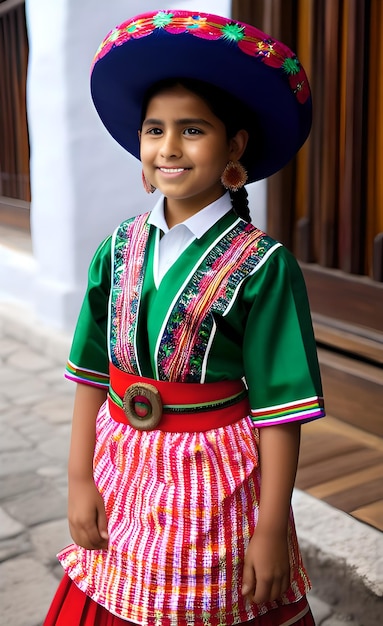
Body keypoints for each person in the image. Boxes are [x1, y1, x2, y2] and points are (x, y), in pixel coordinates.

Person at [44, 9, 325, 626]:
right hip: (120, 466)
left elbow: (283, 410)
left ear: (235, 145)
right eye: (154, 130)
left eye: (192, 129)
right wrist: (78, 478)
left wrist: (271, 527)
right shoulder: (115, 250)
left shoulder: (263, 265)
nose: (168, 148)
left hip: (215, 483)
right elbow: (92, 373)